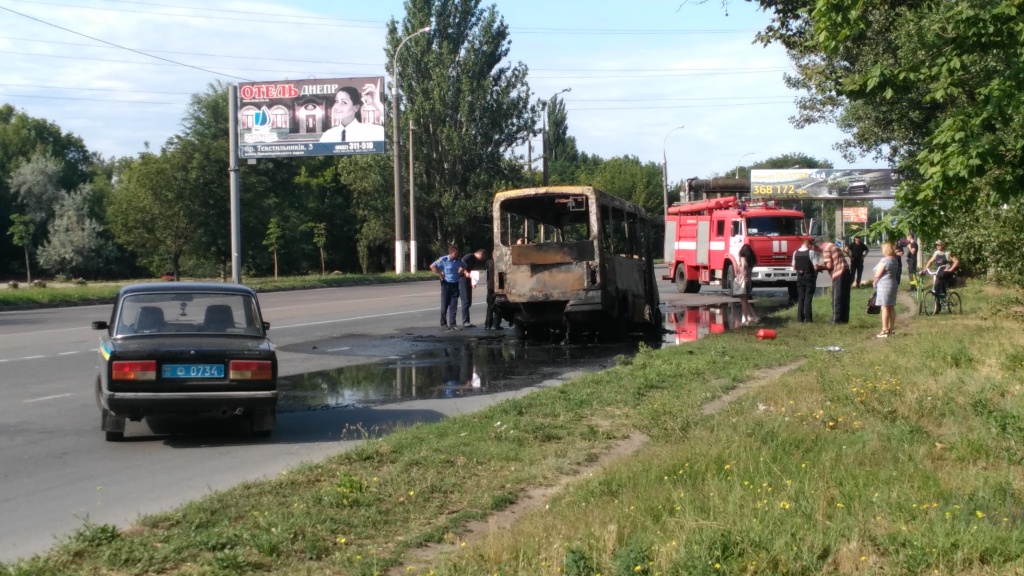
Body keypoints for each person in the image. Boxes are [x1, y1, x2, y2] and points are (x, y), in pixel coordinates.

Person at [319, 86, 385, 143]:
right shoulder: (328, 135)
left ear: (356, 107)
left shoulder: (371, 131)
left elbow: (392, 133)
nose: (337, 106)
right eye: (337, 101)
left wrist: (377, 104)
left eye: (344, 102)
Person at [430, 245, 467, 331]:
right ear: (450, 253)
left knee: (454, 305)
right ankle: (443, 323)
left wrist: (460, 272)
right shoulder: (443, 260)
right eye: (455, 253)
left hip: (455, 284)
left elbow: (464, 265)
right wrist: (440, 273)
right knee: (445, 304)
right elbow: (432, 266)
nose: (456, 255)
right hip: (446, 284)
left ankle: (453, 324)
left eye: (457, 253)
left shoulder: (458, 261)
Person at [816, 239, 852, 324]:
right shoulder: (832, 245)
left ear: (819, 246)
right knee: (845, 297)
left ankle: (836, 320)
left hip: (839, 272)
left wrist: (819, 268)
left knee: (837, 297)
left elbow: (829, 266)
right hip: (845, 270)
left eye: (817, 250)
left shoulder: (826, 249)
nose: (818, 252)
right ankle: (844, 319)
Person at [872, 242, 900, 337]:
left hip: (884, 285)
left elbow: (878, 273)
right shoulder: (895, 260)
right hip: (893, 283)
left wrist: (875, 281)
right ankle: (891, 328)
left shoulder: (885, 260)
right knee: (891, 306)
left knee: (884, 307)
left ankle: (884, 329)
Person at [791, 238, 818, 322]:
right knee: (808, 298)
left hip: (800, 276)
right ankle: (809, 319)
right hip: (809, 276)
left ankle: (800, 318)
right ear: (809, 245)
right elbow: (815, 267)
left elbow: (794, 267)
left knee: (800, 297)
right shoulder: (811, 252)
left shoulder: (795, 252)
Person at [459, 248, 486, 328]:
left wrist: (473, 282)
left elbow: (472, 272)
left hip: (468, 280)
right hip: (462, 279)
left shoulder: (475, 260)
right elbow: (461, 264)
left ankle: (467, 321)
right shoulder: (469, 256)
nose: (482, 259)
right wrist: (466, 273)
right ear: (480, 254)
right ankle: (465, 321)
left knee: (469, 301)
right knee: (466, 301)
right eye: (482, 257)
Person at [736, 243, 758, 324]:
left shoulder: (743, 259)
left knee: (744, 302)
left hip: (743, 282)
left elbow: (741, 268)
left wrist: (739, 263)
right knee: (746, 301)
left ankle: (745, 319)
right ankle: (755, 317)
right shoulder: (751, 260)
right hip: (749, 282)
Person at [484, 257, 503, 330]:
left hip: (491, 286)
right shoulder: (501, 262)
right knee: (498, 306)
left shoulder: (489, 262)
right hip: (499, 287)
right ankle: (496, 324)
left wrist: (487, 283)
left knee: (490, 306)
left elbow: (486, 274)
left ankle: (488, 325)